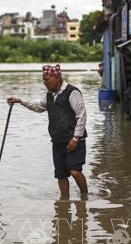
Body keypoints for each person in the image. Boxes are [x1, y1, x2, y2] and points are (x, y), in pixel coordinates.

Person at [7, 64, 88, 199]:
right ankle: (64, 200)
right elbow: (39, 106)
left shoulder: (72, 92)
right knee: (61, 174)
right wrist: (20, 101)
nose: (45, 84)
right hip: (57, 140)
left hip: (74, 139)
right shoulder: (50, 95)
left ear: (58, 78)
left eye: (48, 80)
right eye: (44, 81)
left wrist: (75, 138)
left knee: (75, 171)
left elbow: (81, 116)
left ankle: (84, 196)